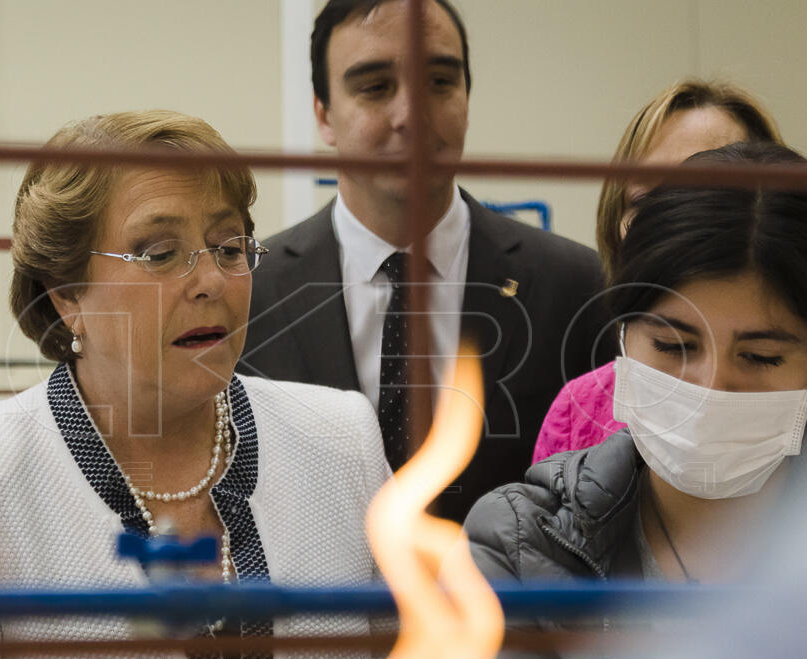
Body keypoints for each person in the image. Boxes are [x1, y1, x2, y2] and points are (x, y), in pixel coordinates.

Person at [0, 110, 390, 659]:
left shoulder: (342, 438)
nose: (210, 281)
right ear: (66, 295)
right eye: (160, 253)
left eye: (229, 246)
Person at [239, 0, 612, 522]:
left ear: (466, 97)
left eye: (439, 81)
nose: (411, 115)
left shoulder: (576, 287)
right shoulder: (248, 292)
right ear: (323, 114)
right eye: (374, 86)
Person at [465, 142, 807, 586]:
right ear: (624, 336)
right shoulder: (522, 542)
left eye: (761, 357)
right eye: (671, 345)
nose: (710, 389)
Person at [532, 80, 783, 464]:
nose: (675, 224)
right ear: (616, 221)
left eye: (759, 355)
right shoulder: (577, 412)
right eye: (649, 201)